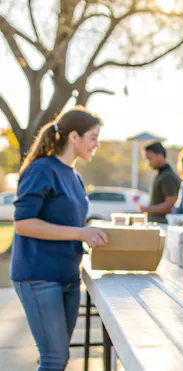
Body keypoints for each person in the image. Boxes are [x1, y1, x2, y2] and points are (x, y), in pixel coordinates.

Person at [11, 106, 109, 370]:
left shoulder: (75, 176)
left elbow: (67, 221)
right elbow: (23, 224)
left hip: (67, 276)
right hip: (38, 276)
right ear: (73, 137)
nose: (97, 144)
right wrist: (80, 233)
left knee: (57, 358)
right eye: (93, 137)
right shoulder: (42, 169)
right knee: (55, 359)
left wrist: (92, 229)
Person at [140, 142, 181, 224]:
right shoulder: (162, 174)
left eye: (149, 158)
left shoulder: (168, 176)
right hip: (157, 224)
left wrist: (147, 209)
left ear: (160, 156)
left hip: (163, 226)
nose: (148, 162)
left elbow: (169, 205)